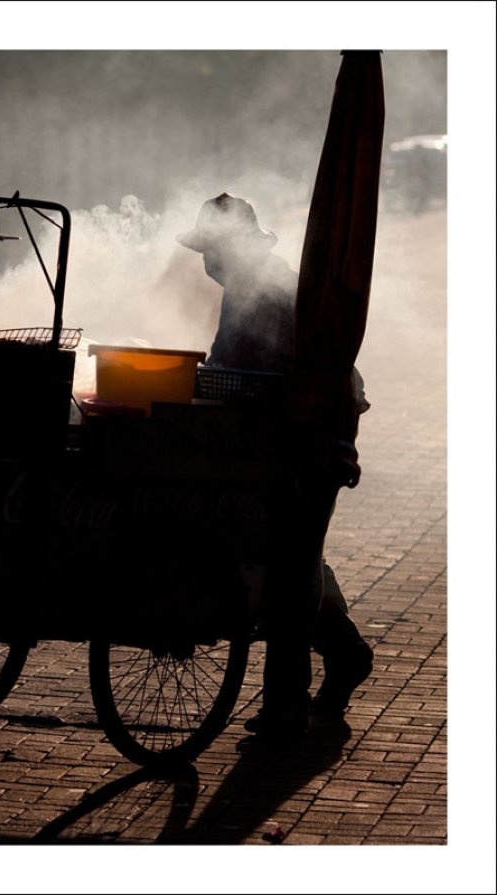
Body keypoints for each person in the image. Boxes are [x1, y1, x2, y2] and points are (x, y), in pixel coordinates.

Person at [177, 193, 373, 736]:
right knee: (294, 557)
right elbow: (225, 367)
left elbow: (303, 380)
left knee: (289, 570)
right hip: (276, 445)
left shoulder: (281, 292)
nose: (207, 263)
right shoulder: (242, 291)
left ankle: (285, 704)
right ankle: (348, 652)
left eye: (212, 251)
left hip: (314, 444)